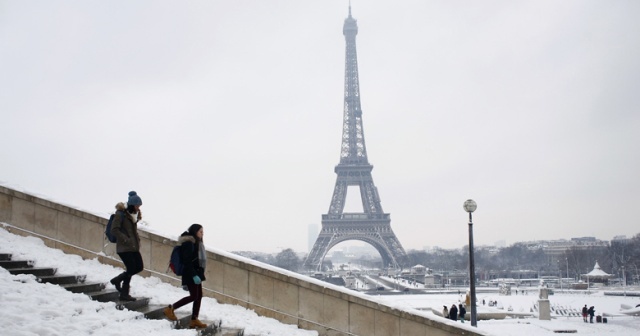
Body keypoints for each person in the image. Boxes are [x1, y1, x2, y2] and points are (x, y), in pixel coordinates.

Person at [164, 224, 208, 329]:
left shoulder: (197, 243)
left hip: (197, 272)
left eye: (203, 232)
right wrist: (193, 275)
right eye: (200, 231)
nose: (202, 234)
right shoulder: (188, 243)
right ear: (194, 231)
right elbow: (187, 261)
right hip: (190, 273)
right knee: (194, 296)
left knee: (199, 295)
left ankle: (194, 319)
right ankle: (170, 308)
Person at [109, 191, 144, 301]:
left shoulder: (133, 215)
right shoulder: (120, 214)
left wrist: (136, 240)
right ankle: (124, 293)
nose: (138, 208)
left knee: (139, 267)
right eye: (137, 205)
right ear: (132, 205)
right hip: (124, 247)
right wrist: (126, 239)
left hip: (133, 247)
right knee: (131, 268)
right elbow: (114, 229)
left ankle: (118, 280)